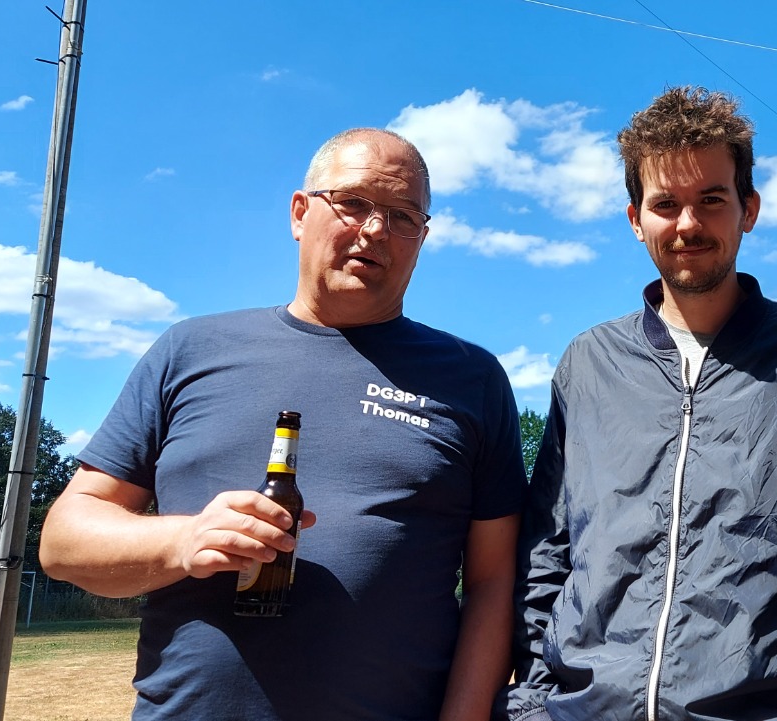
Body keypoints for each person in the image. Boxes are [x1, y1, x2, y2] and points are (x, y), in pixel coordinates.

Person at [39, 128, 526, 720]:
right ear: (300, 213)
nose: (377, 229)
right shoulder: (191, 350)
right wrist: (183, 540)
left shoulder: (471, 378)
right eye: (353, 202)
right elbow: (64, 542)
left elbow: (493, 583)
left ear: (422, 238)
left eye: (404, 215)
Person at [502, 87, 777, 721]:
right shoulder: (588, 363)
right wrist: (533, 701)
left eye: (711, 200)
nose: (688, 224)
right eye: (665, 204)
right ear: (635, 218)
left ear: (749, 209)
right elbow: (548, 548)